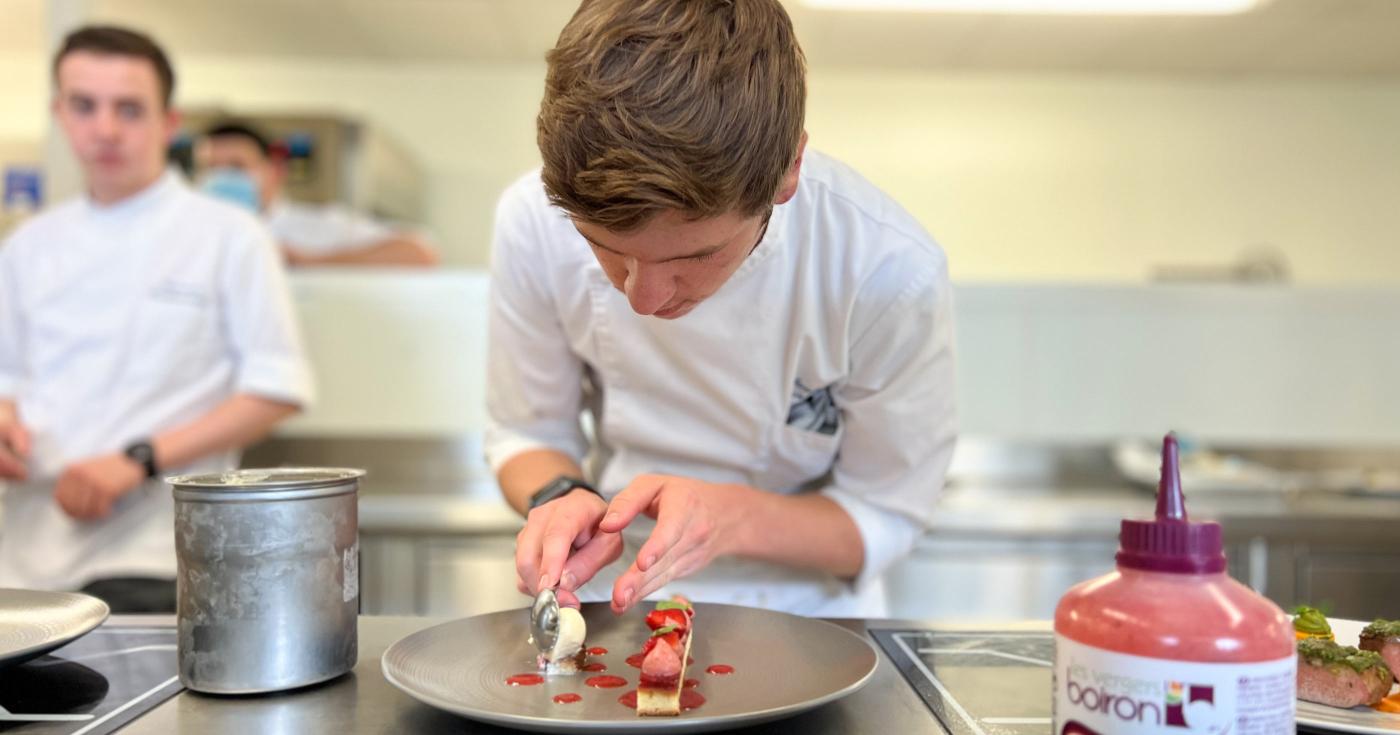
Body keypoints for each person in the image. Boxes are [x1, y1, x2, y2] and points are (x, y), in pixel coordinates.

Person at [487, 0, 956, 618]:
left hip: (807, 620)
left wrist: (727, 519)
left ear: (788, 171)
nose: (643, 298)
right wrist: (558, 493)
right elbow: (528, 432)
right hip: (613, 604)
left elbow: (885, 513)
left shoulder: (886, 270)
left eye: (695, 257)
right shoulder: (531, 221)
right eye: (604, 248)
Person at [0, 25, 314, 612]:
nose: (106, 129)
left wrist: (136, 462)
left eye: (129, 108)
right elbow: (9, 380)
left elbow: (277, 387)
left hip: (151, 558)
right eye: (85, 106)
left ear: (169, 123)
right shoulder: (27, 246)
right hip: (22, 557)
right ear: (59, 113)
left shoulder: (228, 237)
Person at [199, 122, 439, 268]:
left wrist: (306, 263)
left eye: (236, 167)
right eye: (211, 168)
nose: (222, 177)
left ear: (274, 170)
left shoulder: (319, 226)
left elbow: (419, 253)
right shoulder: (191, 233)